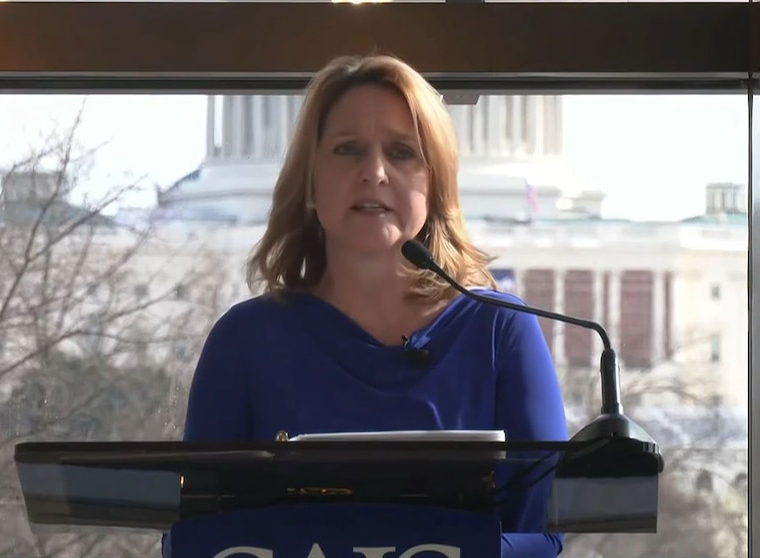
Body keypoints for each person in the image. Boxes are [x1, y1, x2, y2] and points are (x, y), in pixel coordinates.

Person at [169, 53, 568, 558]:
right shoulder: (244, 341)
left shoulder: (501, 332)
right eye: (347, 149)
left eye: (402, 152)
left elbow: (542, 532)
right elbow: (201, 531)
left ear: (435, 184)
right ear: (310, 183)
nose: (374, 172)